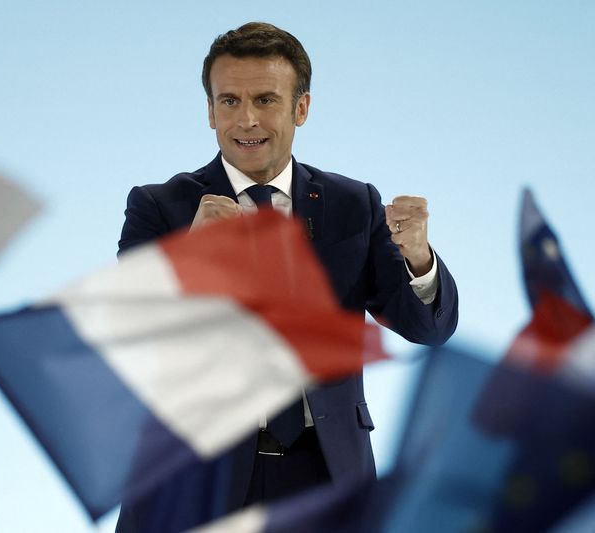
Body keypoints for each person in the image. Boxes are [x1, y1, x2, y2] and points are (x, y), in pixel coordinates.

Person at [114, 21, 458, 531]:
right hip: (197, 476)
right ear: (209, 111)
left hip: (327, 470)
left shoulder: (353, 204)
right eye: (228, 101)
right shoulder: (159, 206)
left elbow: (428, 329)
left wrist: (419, 259)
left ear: (301, 108)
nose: (246, 119)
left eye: (265, 100)